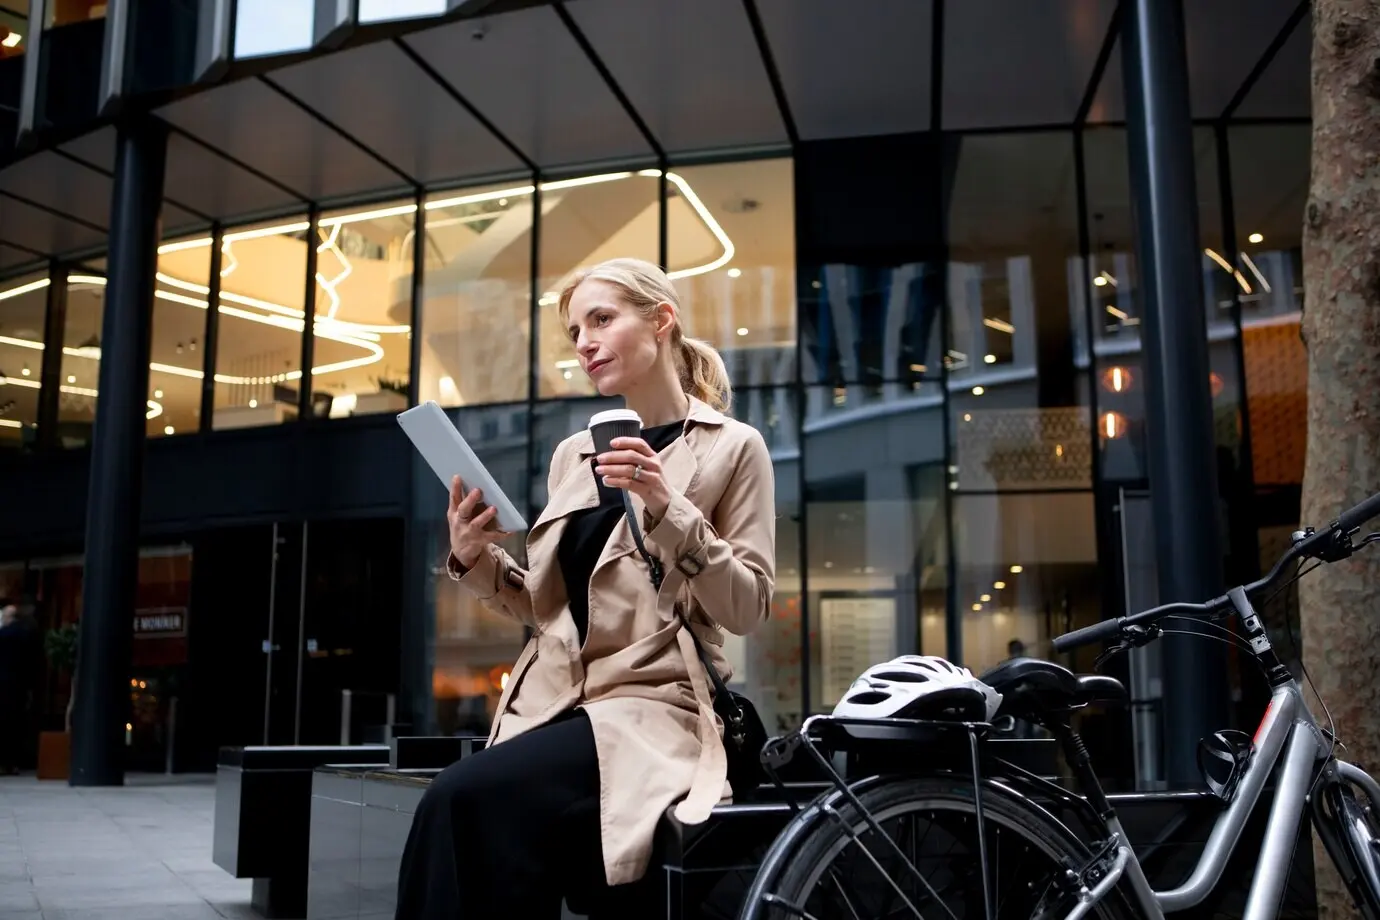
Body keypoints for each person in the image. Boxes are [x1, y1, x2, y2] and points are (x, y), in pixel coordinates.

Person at [395, 258, 777, 919]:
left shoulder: (733, 448)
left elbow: (746, 606)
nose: (585, 343)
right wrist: (474, 558)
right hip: (557, 702)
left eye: (601, 320)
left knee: (456, 801)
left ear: (661, 320)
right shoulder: (574, 455)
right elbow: (552, 610)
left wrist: (667, 506)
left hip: (653, 704)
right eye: (575, 331)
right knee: (487, 841)